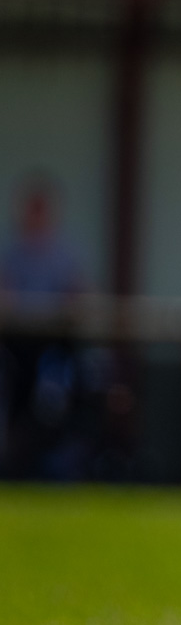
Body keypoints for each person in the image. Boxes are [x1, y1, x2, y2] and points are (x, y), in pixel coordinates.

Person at [0, 177, 89, 479]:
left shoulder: (63, 255)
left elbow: (78, 295)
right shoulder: (13, 254)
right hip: (18, 344)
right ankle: (15, 464)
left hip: (54, 344)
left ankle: (60, 464)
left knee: (58, 399)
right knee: (17, 402)